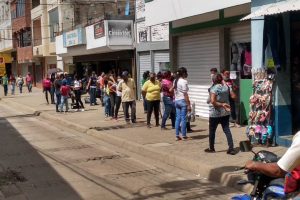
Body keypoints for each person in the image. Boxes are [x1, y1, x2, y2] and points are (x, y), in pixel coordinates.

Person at [205, 73, 236, 155]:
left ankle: (211, 148)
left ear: (213, 80)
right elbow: (233, 96)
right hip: (225, 112)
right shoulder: (226, 87)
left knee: (212, 131)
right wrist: (227, 86)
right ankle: (231, 148)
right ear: (221, 79)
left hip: (215, 113)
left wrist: (221, 104)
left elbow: (212, 101)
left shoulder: (213, 88)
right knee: (227, 130)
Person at [174, 67, 192, 141]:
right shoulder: (184, 81)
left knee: (178, 118)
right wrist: (188, 104)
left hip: (177, 101)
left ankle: (177, 135)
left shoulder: (175, 80)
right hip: (182, 101)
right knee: (183, 119)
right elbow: (185, 94)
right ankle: (184, 135)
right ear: (183, 73)